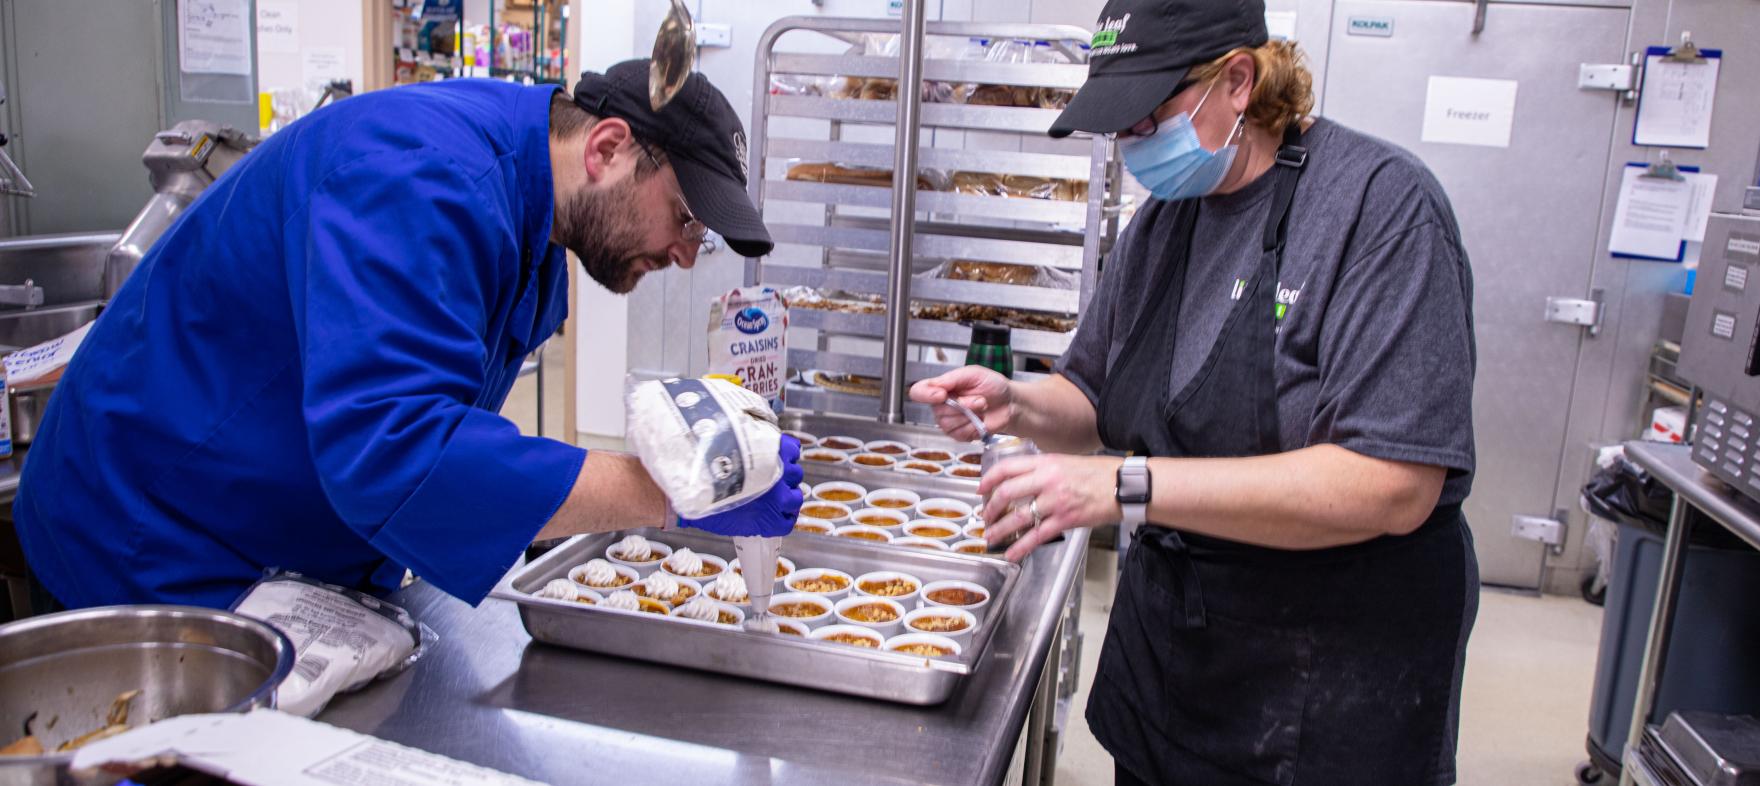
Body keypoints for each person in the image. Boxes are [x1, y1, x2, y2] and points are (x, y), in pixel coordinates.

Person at [911, 0, 1478, 783]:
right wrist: (1020, 403)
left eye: (1147, 119)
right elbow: (1095, 396)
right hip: (1178, 666)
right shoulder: (1164, 223)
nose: (1132, 145)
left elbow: (1393, 484)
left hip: (1326, 690)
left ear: (1238, 82)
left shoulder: (1378, 210)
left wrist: (1125, 486)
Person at [16, 59, 802, 612]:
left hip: (279, 540)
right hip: (148, 537)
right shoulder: (421, 178)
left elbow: (435, 413)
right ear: (607, 150)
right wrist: (670, 493)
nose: (684, 252)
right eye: (687, 217)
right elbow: (393, 451)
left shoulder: (528, 210)